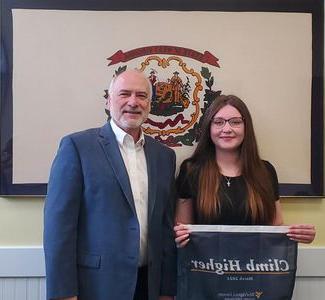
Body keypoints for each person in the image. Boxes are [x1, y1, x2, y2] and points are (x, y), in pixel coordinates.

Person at [44, 69, 177, 300]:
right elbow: (59, 227)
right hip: (96, 286)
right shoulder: (77, 147)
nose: (133, 102)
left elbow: (165, 228)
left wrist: (166, 290)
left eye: (141, 95)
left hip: (149, 286)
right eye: (124, 94)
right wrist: (63, 293)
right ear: (109, 100)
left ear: (150, 103)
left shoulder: (164, 156)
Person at [174, 94, 316, 247]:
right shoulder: (191, 170)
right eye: (218, 122)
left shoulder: (265, 171)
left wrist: (297, 234)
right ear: (209, 128)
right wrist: (179, 236)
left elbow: (276, 227)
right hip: (206, 267)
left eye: (235, 122)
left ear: (246, 127)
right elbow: (182, 229)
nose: (227, 129)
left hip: (256, 267)